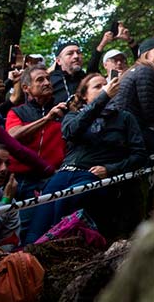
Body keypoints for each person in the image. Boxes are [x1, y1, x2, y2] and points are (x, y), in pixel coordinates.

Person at [23, 74, 147, 243]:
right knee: (37, 226)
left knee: (66, 203)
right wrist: (103, 98)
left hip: (92, 175)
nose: (105, 88)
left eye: (106, 84)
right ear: (83, 95)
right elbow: (71, 132)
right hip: (63, 175)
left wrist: (111, 169)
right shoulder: (72, 116)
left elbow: (140, 155)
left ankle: (57, 249)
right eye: (98, 86)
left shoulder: (124, 118)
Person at [4, 66, 67, 217]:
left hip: (52, 178)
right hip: (21, 180)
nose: (47, 83)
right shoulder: (17, 112)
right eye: (40, 80)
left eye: (48, 79)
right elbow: (12, 136)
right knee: (22, 224)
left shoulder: (63, 111)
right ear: (26, 88)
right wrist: (46, 120)